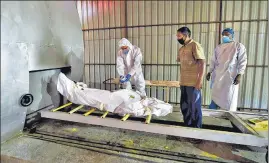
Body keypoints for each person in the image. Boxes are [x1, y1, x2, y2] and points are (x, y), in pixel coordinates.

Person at [206, 28, 247, 111]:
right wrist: (209, 72)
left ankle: (229, 113)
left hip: (230, 75)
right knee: (216, 94)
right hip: (218, 75)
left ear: (232, 35)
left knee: (229, 95)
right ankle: (213, 111)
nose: (224, 36)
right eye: (223, 34)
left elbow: (242, 60)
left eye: (227, 34)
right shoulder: (219, 47)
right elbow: (213, 60)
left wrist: (240, 74)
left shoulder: (238, 46)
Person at [176, 27, 206, 129]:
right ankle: (188, 128)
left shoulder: (195, 45)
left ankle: (196, 132)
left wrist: (199, 81)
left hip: (193, 83)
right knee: (185, 107)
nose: (177, 38)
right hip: (184, 82)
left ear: (186, 35)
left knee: (194, 108)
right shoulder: (181, 49)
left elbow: (202, 63)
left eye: (179, 36)